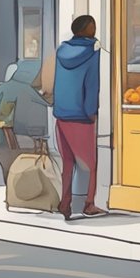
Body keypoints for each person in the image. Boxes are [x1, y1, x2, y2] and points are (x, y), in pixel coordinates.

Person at [52, 15, 105, 220]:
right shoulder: (93, 52)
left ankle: (65, 203)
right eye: (94, 26)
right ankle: (89, 204)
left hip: (62, 113)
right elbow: (92, 84)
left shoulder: (61, 51)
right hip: (81, 116)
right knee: (90, 164)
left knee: (67, 162)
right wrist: (91, 112)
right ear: (89, 30)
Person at [0, 60, 49, 190]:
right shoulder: (25, 88)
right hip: (2, 133)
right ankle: (11, 191)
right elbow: (44, 102)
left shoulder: (3, 86)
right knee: (8, 164)